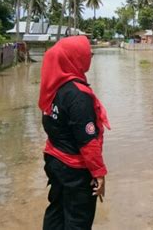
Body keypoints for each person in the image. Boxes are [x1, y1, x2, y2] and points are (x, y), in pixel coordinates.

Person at [38, 36, 110, 230]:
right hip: (75, 169)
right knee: (78, 220)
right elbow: (87, 142)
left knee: (57, 210)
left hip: (55, 160)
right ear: (75, 58)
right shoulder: (78, 95)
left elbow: (50, 124)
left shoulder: (53, 88)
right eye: (88, 54)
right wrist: (99, 173)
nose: (90, 57)